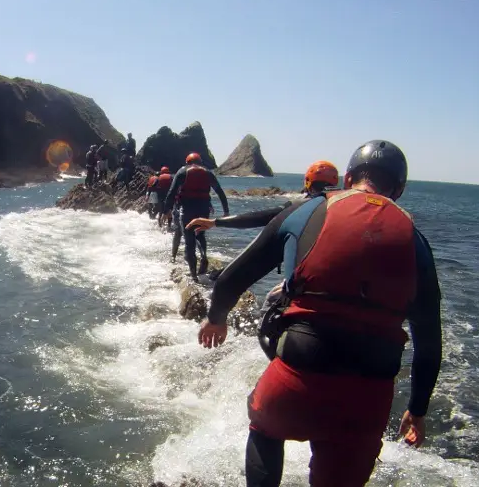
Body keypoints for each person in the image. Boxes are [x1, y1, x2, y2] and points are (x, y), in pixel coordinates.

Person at [195, 140, 442, 487]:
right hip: (368, 396)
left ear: (349, 176)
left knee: (265, 429)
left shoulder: (307, 211)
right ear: (399, 189)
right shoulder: (416, 242)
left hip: (298, 374)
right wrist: (417, 410)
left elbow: (233, 277)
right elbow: (429, 341)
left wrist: (216, 318)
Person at [185, 160, 340, 234]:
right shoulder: (349, 202)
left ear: (307, 182)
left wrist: (215, 222)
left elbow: (261, 217)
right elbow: (219, 191)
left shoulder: (300, 205)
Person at [163, 152, 229, 280]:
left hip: (187, 209)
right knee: (200, 234)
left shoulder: (182, 171)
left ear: (187, 162)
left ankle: (193, 276)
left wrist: (167, 210)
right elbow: (220, 191)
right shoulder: (208, 172)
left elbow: (172, 192)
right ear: (200, 162)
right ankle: (204, 256)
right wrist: (226, 211)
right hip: (204, 209)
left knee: (189, 242)